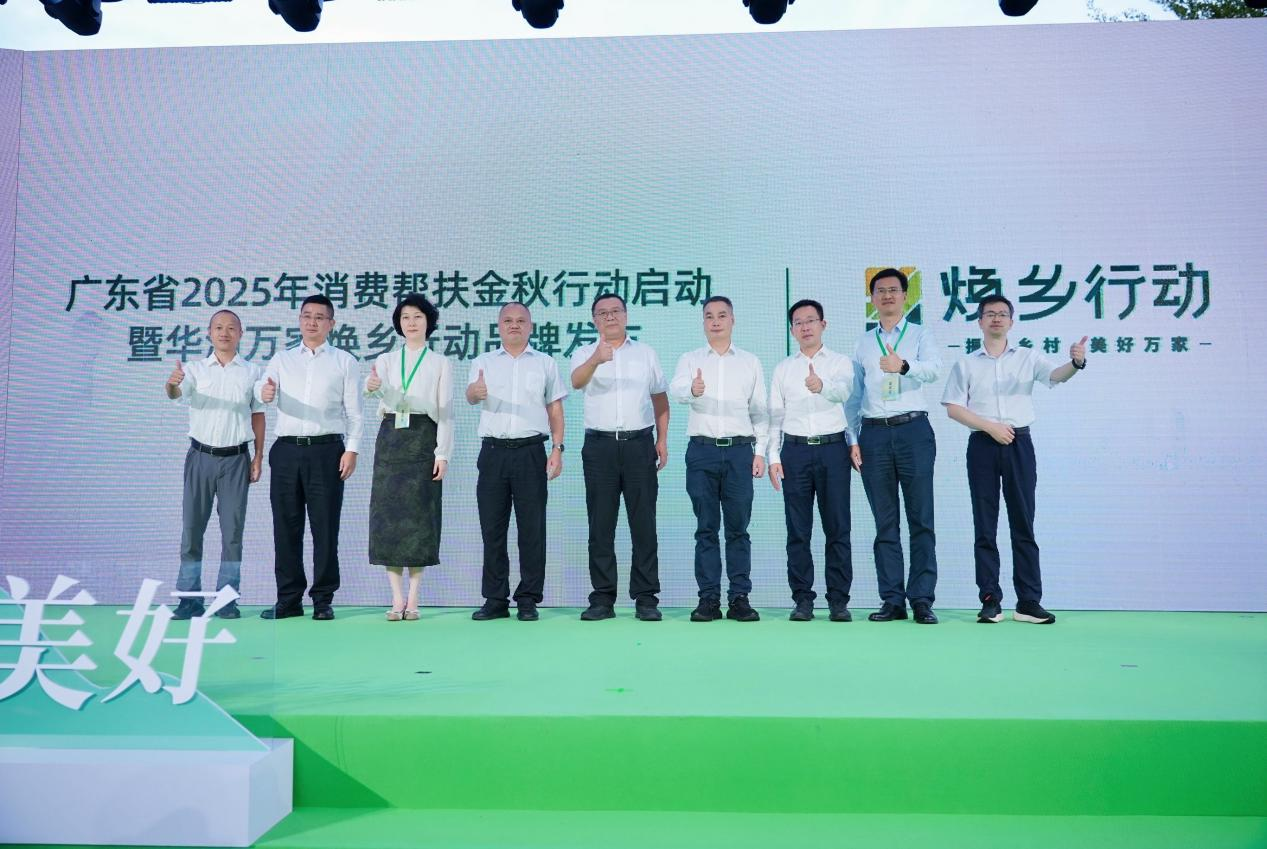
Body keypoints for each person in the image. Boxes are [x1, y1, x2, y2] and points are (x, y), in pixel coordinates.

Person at [941, 293, 1087, 625]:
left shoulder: (1027, 357)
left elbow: (1056, 376)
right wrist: (990, 427)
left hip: (1019, 443)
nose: (996, 318)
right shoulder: (966, 363)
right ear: (980, 322)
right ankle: (990, 600)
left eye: (1002, 314)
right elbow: (953, 408)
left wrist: (1076, 363)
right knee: (985, 525)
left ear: (1011, 321)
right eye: (990, 313)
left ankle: (1029, 602)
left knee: (1023, 522)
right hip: (982, 443)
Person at [256, 294, 363, 621]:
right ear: (299, 320)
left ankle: (322, 600)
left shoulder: (344, 361)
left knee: (325, 528)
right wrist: (265, 392)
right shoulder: (281, 359)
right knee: (285, 528)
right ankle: (288, 600)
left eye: (319, 317)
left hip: (327, 451)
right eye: (306, 316)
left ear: (331, 324)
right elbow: (262, 391)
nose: (312, 322)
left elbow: (355, 413)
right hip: (286, 450)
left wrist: (352, 449)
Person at [845, 268, 943, 625]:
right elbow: (854, 396)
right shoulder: (863, 343)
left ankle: (922, 599)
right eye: (880, 291)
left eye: (894, 290)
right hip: (873, 433)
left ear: (905, 296)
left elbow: (934, 370)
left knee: (921, 519)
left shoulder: (920, 334)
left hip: (913, 430)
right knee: (885, 523)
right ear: (872, 299)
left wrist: (903, 366)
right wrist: (853, 439)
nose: (887, 296)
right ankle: (892, 600)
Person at [570, 293, 669, 621]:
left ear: (626, 316)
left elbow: (660, 398)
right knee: (600, 524)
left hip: (639, 444)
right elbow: (576, 382)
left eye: (615, 311)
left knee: (644, 523)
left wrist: (662, 439)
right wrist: (597, 359)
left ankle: (646, 598)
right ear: (594, 320)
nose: (610, 317)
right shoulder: (584, 353)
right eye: (602, 313)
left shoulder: (645, 353)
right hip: (599, 447)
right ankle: (602, 598)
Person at [669, 296, 767, 622]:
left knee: (738, 529)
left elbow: (760, 411)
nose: (715, 321)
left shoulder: (750, 362)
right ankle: (708, 598)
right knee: (706, 528)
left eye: (722, 315)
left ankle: (739, 598)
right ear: (703, 322)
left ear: (732, 320)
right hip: (702, 452)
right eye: (709, 316)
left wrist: (760, 452)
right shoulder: (690, 359)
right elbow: (676, 390)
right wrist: (693, 390)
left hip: (740, 451)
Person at [466, 302, 566, 622]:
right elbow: (470, 396)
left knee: (532, 529)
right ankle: (495, 599)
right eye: (508, 320)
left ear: (530, 326)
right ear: (499, 326)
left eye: (521, 321)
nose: (514, 325)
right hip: (493, 453)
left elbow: (555, 409)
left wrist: (557, 449)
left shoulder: (545, 363)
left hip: (531, 452)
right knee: (492, 529)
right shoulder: (483, 362)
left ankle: (528, 598)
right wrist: (475, 392)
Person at [165, 309, 264, 620]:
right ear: (209, 333)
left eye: (231, 328)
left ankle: (226, 600)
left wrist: (258, 456)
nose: (224, 333)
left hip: (236, 460)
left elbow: (258, 414)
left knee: (232, 534)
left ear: (240, 334)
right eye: (218, 327)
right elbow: (175, 394)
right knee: (192, 531)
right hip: (200, 458)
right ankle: (189, 600)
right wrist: (172, 383)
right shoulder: (194, 370)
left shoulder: (252, 371)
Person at [768, 298, 858, 622]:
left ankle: (839, 601)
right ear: (792, 330)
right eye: (798, 323)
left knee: (838, 527)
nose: (805, 327)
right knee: (798, 530)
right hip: (794, 451)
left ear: (823, 324)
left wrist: (821, 386)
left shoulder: (839, 363)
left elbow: (845, 394)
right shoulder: (783, 369)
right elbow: (774, 416)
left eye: (810, 321)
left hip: (833, 449)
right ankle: (803, 600)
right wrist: (773, 456)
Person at [364, 294, 453, 621]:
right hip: (391, 437)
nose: (411, 323)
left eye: (417, 317)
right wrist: (372, 385)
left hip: (423, 438)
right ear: (398, 324)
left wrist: (443, 452)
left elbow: (446, 412)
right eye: (405, 317)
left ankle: (414, 597)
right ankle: (396, 597)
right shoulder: (386, 359)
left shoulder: (440, 363)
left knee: (419, 517)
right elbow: (374, 392)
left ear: (429, 321)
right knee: (388, 517)